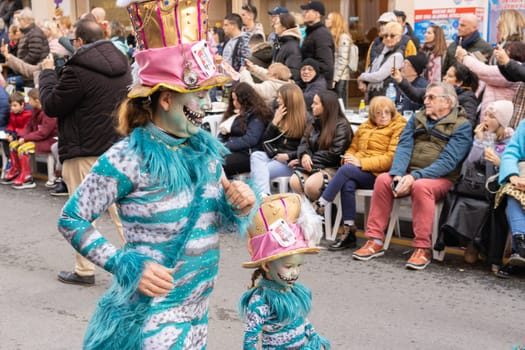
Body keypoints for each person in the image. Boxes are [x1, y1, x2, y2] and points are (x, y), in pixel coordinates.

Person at [56, 0, 257, 348]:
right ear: (166, 99)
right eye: (196, 95)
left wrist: (240, 203)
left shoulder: (207, 152)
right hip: (154, 313)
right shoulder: (127, 157)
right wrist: (125, 264)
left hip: (198, 308)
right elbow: (71, 218)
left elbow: (218, 220)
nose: (204, 105)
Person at [39, 18, 131, 286]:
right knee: (123, 212)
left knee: (81, 213)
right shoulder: (122, 62)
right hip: (118, 147)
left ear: (79, 42)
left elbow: (52, 105)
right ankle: (143, 260)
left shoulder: (76, 70)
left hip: (84, 149)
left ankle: (85, 269)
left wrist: (46, 74)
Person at [352, 82, 473, 270]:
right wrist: (399, 173)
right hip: (410, 173)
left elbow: (449, 162)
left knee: (421, 186)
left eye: (431, 97)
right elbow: (404, 146)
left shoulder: (462, 126)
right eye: (425, 97)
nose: (426, 101)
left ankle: (422, 247)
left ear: (447, 102)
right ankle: (375, 239)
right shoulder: (417, 118)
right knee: (384, 180)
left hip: (442, 179)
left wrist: (416, 176)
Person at [239, 193, 329, 349]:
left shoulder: (291, 290)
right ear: (267, 266)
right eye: (288, 266)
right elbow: (250, 340)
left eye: (298, 265)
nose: (295, 272)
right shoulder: (260, 301)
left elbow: (300, 319)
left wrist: (314, 336)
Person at [317, 96, 406, 251]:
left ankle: (321, 203)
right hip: (361, 171)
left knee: (346, 171)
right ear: (372, 114)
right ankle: (349, 230)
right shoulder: (365, 126)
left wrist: (360, 163)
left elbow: (391, 158)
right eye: (379, 113)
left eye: (387, 112)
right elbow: (353, 148)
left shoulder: (399, 126)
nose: (383, 116)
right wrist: (349, 158)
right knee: (347, 182)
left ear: (392, 112)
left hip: (381, 175)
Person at [436, 101, 513, 267]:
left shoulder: (509, 141)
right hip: (474, 185)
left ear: (501, 121)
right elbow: (472, 162)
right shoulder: (480, 136)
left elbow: (492, 166)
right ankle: (469, 242)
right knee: (457, 197)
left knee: (491, 206)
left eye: (492, 117)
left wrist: (496, 159)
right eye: (485, 114)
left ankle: (480, 245)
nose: (486, 119)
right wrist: (479, 142)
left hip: (496, 187)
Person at [289, 90, 353, 202]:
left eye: (316, 103)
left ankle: (321, 212)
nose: (312, 106)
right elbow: (304, 143)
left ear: (326, 106)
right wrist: (304, 156)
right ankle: (309, 213)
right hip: (314, 165)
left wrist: (310, 160)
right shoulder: (314, 122)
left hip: (332, 167)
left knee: (311, 186)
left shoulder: (341, 125)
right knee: (295, 181)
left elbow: (335, 154)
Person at [250, 83, 307, 195]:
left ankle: (262, 196)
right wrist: (274, 123)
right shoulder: (280, 115)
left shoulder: (306, 120)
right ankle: (264, 195)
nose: (278, 100)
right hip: (276, 156)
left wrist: (289, 156)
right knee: (256, 155)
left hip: (290, 163)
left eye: (280, 97)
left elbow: (307, 147)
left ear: (289, 100)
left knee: (260, 172)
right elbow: (265, 142)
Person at [393, 62, 479, 126]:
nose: (444, 78)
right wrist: (400, 80)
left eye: (449, 76)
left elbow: (468, 124)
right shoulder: (439, 90)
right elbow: (416, 94)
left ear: (459, 82)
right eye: (445, 74)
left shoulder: (468, 98)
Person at [3, 88, 57, 189]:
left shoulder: (48, 113)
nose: (28, 102)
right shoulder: (35, 111)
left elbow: (43, 133)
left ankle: (27, 177)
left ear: (37, 101)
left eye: (30, 99)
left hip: (49, 140)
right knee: (13, 145)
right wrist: (21, 136)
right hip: (39, 138)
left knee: (24, 149)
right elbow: (28, 126)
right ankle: (17, 170)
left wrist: (26, 138)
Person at [455, 41, 524, 119]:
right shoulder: (512, 68)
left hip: (497, 119)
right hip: (491, 116)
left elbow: (484, 72)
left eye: (506, 51)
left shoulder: (513, 69)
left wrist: (464, 57)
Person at [218, 81, 272, 178]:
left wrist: (225, 146)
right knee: (207, 160)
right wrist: (217, 145)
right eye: (233, 100)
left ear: (245, 100)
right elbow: (222, 134)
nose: (234, 103)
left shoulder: (257, 114)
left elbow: (251, 139)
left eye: (236, 100)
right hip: (233, 150)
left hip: (248, 154)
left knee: (216, 164)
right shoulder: (234, 113)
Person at [494, 119, 525, 270]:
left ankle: (518, 251)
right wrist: (513, 176)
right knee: (511, 191)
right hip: (521, 174)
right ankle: (520, 247)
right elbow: (511, 152)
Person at [358, 21, 404, 101]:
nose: (388, 38)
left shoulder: (397, 56)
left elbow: (378, 76)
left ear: (399, 37)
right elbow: (370, 70)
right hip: (374, 95)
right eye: (385, 35)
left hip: (387, 98)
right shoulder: (380, 52)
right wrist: (362, 81)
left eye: (392, 36)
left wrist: (362, 77)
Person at [299, 1, 335, 88]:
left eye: (307, 11)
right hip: (311, 83)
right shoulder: (312, 32)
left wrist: (320, 86)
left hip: (317, 85)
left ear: (317, 14)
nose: (304, 14)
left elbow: (326, 64)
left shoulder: (321, 34)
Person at [0, 90, 31, 184]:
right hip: (18, 136)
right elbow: (11, 125)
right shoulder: (13, 113)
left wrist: (13, 135)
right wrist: (9, 133)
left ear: (22, 104)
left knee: (21, 149)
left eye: (14, 105)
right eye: (11, 106)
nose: (12, 108)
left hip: (27, 137)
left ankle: (26, 174)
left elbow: (27, 128)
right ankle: (15, 169)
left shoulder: (28, 113)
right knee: (12, 146)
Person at [326, 11, 352, 107]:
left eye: (329, 18)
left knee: (340, 105)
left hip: (340, 77)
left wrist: (334, 79)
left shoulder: (343, 37)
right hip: (334, 76)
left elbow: (342, 60)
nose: (326, 20)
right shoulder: (331, 37)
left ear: (335, 21)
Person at [271, 12, 302, 84]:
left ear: (284, 27)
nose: (274, 26)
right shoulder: (281, 42)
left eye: (277, 24)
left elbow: (293, 72)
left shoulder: (292, 46)